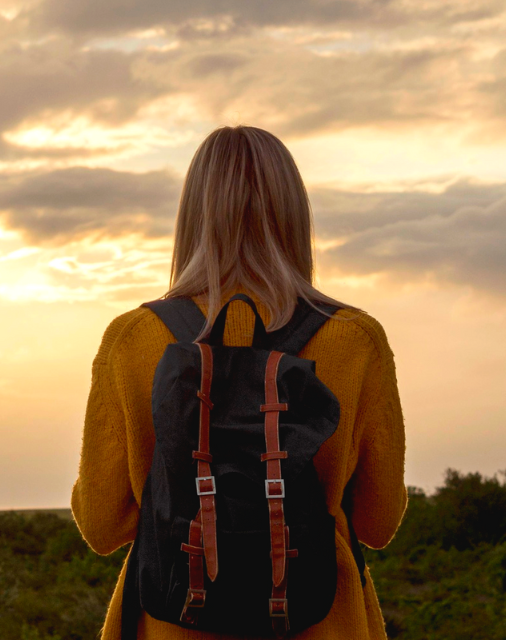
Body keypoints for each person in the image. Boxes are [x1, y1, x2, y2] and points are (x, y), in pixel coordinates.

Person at [71, 125, 408, 639]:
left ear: (192, 217)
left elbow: (102, 525)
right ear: (294, 214)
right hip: (321, 621)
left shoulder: (133, 338)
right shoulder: (355, 339)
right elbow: (378, 522)